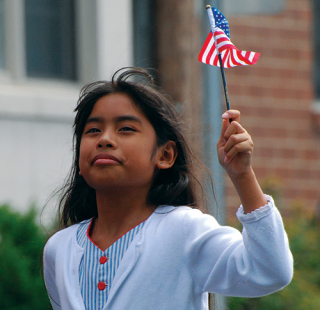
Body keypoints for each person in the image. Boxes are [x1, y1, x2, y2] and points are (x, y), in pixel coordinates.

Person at [43, 67, 293, 310]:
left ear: (165, 155)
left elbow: (270, 271)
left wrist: (242, 175)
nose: (104, 139)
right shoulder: (59, 249)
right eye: (93, 130)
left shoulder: (185, 230)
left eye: (126, 129)